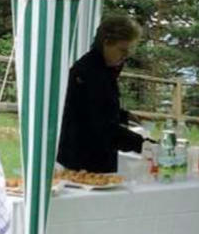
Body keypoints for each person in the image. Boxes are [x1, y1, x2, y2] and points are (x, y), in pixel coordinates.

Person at [57, 13, 145, 173]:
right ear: (106, 43)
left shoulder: (102, 69)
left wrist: (123, 115)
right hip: (82, 159)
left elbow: (98, 107)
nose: (125, 56)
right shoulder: (89, 72)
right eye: (122, 50)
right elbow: (100, 124)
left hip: (91, 156)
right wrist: (143, 144)